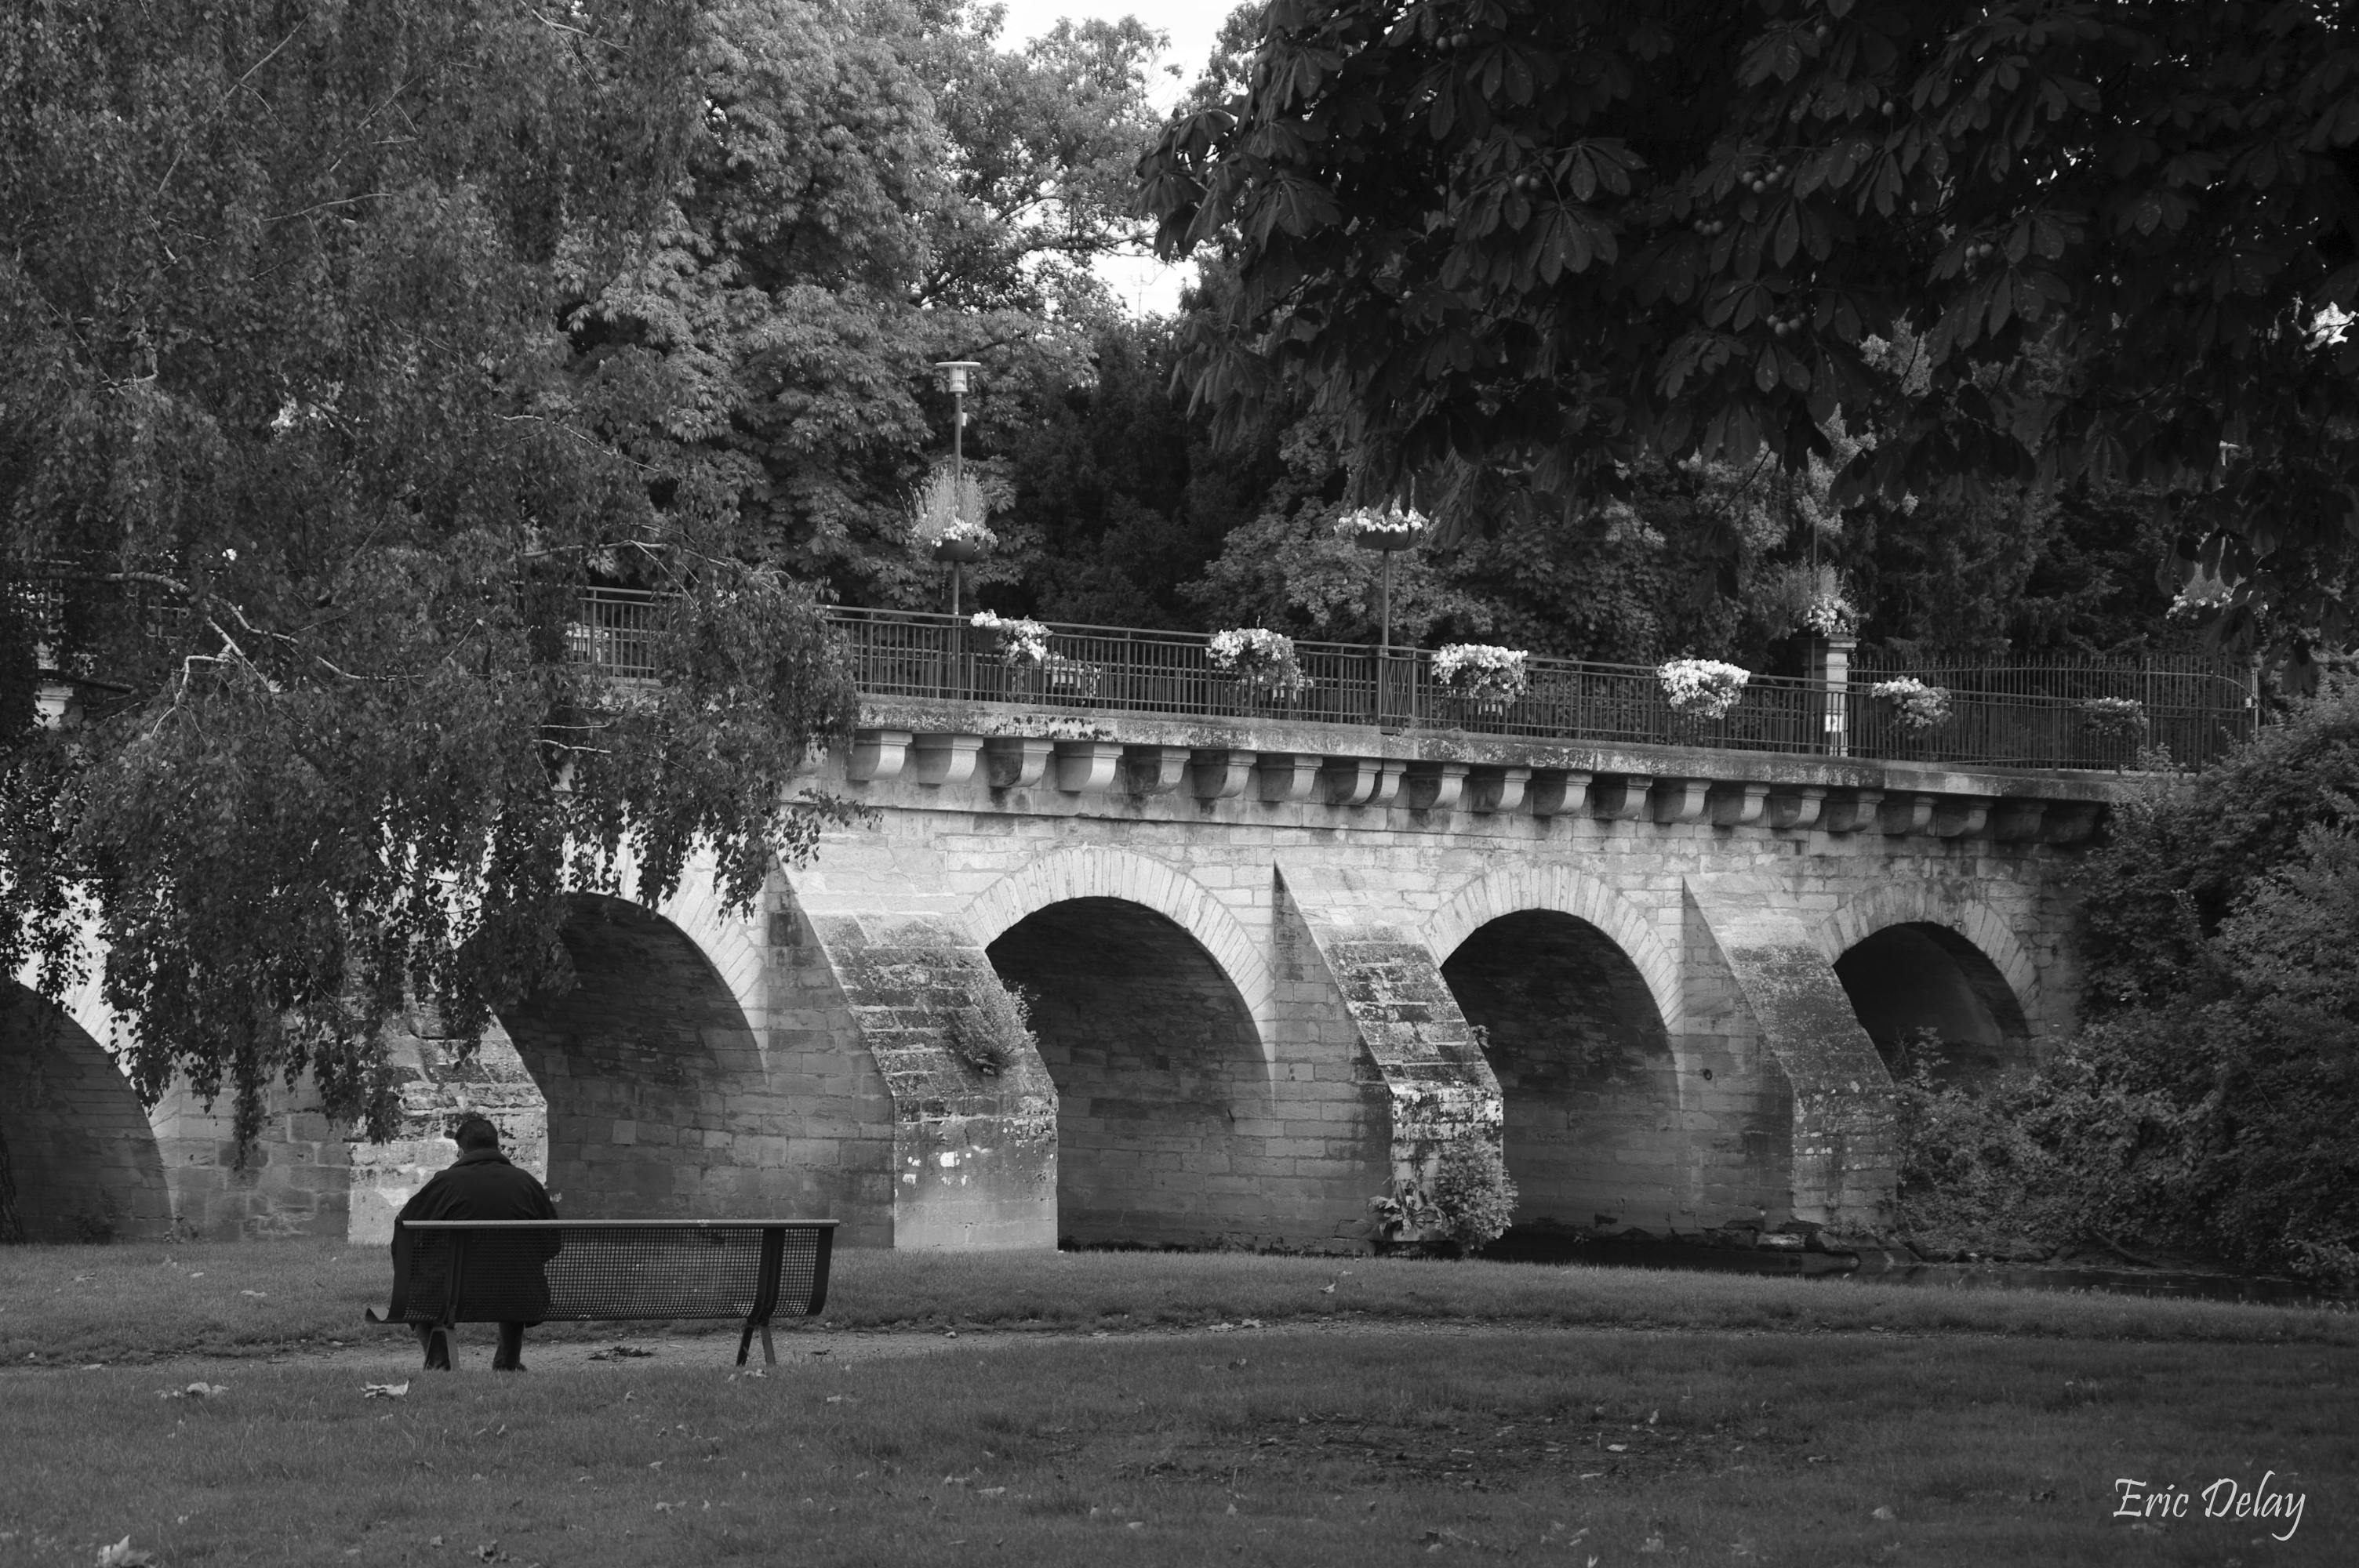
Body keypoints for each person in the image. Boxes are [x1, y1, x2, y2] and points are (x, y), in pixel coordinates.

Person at [391, 1116, 558, 1371]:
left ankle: (439, 1363)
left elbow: (405, 1234)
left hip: (452, 1295)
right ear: (497, 1147)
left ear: (461, 1151)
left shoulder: (445, 1183)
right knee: (516, 1279)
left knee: (419, 1293)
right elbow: (552, 1242)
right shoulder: (527, 1183)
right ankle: (508, 1364)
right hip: (520, 1293)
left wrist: (413, 1269)